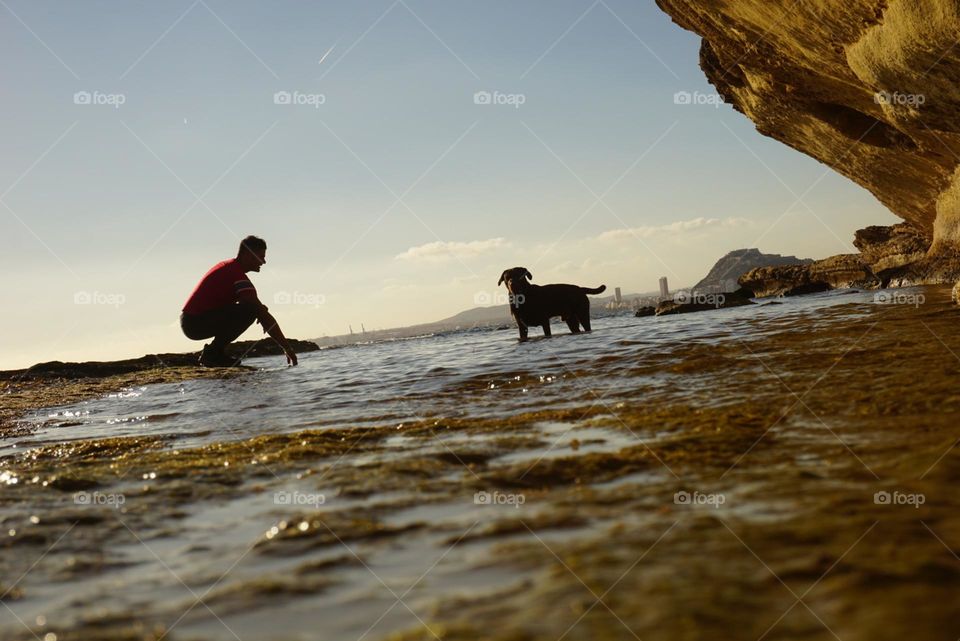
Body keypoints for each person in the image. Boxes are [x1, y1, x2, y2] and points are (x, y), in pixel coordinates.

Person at [181, 235, 298, 367]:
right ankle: (212, 354)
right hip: (194, 323)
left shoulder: (229, 267)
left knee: (254, 309)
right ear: (248, 255)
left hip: (193, 320)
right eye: (261, 256)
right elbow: (261, 315)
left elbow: (245, 306)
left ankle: (215, 353)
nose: (263, 261)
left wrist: (259, 310)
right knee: (252, 310)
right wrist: (287, 348)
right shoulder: (236, 275)